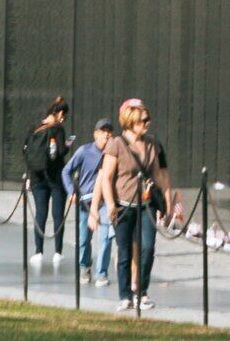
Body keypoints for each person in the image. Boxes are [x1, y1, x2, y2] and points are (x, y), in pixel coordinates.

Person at [97, 98, 172, 311]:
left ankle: (142, 291)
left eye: (148, 119)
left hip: (146, 205)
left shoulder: (152, 144)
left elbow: (158, 173)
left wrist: (167, 200)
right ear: (131, 121)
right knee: (125, 251)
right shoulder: (116, 144)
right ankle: (125, 295)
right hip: (123, 205)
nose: (148, 123)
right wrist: (110, 204)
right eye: (143, 119)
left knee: (147, 248)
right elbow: (106, 177)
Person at [20, 97, 75, 269]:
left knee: (40, 214)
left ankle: (38, 251)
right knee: (58, 215)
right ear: (59, 113)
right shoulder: (58, 128)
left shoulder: (35, 127)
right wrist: (67, 145)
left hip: (37, 177)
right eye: (63, 115)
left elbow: (25, 150)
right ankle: (58, 251)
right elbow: (60, 151)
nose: (63, 119)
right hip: (56, 177)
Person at [61, 122, 110, 282]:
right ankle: (84, 266)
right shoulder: (84, 151)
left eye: (109, 132)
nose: (107, 135)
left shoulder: (113, 153)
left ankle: (101, 273)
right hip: (85, 201)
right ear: (95, 133)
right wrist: (71, 191)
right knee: (84, 238)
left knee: (106, 237)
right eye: (103, 131)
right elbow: (66, 171)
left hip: (105, 201)